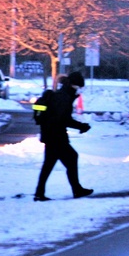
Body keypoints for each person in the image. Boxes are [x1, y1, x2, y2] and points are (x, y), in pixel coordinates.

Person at [33, 71, 93, 201]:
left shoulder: (63, 95)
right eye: (78, 87)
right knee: (70, 158)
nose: (78, 91)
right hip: (56, 136)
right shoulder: (64, 97)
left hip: (51, 134)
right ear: (73, 85)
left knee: (50, 164)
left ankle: (40, 192)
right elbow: (63, 119)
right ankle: (76, 190)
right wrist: (81, 126)